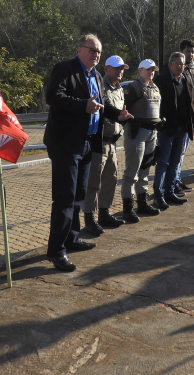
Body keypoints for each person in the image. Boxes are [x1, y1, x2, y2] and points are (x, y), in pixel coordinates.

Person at [43, 34, 133, 272]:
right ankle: (56, 251)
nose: (95, 54)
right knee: (64, 198)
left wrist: (117, 115)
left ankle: (71, 238)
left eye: (99, 52)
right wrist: (83, 105)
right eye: (91, 50)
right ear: (79, 49)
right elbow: (53, 97)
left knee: (79, 195)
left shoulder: (96, 76)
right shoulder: (65, 69)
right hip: (65, 143)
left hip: (87, 142)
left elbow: (101, 105)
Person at [82, 55, 129, 235]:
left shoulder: (118, 89)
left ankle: (104, 213)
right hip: (99, 141)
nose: (120, 71)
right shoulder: (100, 86)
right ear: (106, 68)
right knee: (93, 182)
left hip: (112, 142)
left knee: (111, 179)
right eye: (116, 68)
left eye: (122, 68)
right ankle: (89, 218)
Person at [121, 59, 163, 221]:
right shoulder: (133, 87)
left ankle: (142, 202)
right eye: (148, 69)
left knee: (145, 169)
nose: (151, 72)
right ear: (140, 70)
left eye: (153, 70)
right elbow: (123, 109)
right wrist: (130, 125)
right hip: (137, 133)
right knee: (132, 171)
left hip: (152, 133)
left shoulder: (154, 87)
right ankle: (128, 208)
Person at [153, 52, 194, 207]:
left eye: (182, 63)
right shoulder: (160, 80)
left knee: (176, 161)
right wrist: (162, 123)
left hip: (183, 128)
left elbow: (192, 102)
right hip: (167, 129)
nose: (179, 66)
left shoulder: (187, 80)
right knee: (163, 162)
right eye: (176, 63)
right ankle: (158, 195)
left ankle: (170, 192)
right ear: (170, 64)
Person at [174, 39, 194, 195]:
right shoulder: (179, 70)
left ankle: (177, 179)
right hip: (182, 118)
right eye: (187, 51)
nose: (190, 54)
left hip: (193, 117)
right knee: (177, 153)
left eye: (192, 52)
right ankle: (173, 182)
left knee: (182, 152)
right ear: (181, 52)